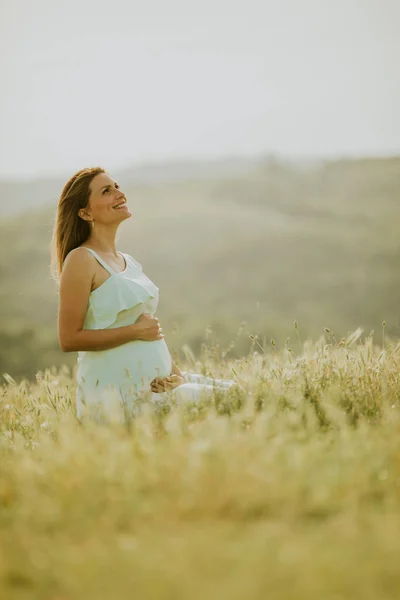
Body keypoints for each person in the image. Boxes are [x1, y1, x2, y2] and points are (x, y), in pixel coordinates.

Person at [51, 167, 238, 423]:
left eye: (117, 186)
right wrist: (135, 332)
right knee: (234, 402)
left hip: (158, 384)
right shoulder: (81, 259)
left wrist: (177, 375)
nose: (119, 193)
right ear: (85, 212)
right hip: (119, 397)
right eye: (107, 191)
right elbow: (69, 339)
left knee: (241, 392)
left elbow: (150, 331)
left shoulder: (128, 261)